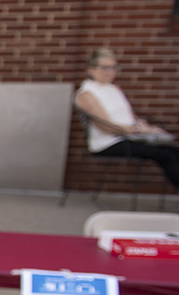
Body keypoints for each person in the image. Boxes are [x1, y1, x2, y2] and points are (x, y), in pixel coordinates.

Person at [74, 48, 179, 190]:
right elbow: (106, 126)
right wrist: (136, 129)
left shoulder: (114, 89)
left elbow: (131, 117)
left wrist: (148, 129)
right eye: (105, 67)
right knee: (165, 154)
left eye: (113, 67)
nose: (110, 71)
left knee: (172, 150)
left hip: (130, 137)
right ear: (91, 69)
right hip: (108, 143)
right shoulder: (86, 93)